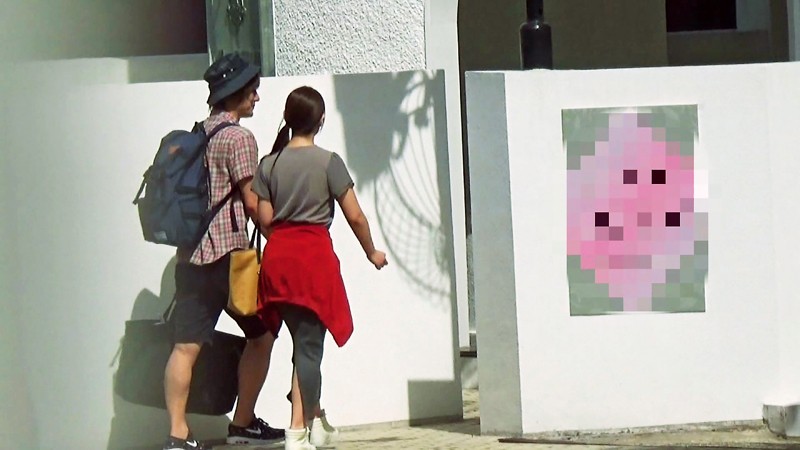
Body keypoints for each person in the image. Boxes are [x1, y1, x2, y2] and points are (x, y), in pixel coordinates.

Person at [252, 86, 388, 450]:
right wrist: (372, 252)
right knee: (310, 350)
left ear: (288, 119)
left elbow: (264, 218)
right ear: (321, 120)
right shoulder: (329, 162)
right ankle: (297, 432)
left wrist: (283, 242)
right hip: (313, 261)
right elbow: (355, 216)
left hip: (278, 262)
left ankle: (316, 419)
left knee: (302, 345)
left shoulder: (269, 164)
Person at [162, 53, 284, 450]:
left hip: (190, 259)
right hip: (230, 260)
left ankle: (177, 435)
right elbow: (251, 201)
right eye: (252, 91)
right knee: (262, 336)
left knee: (184, 348)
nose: (257, 98)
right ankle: (242, 423)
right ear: (235, 94)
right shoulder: (238, 138)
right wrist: (278, 235)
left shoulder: (198, 134)